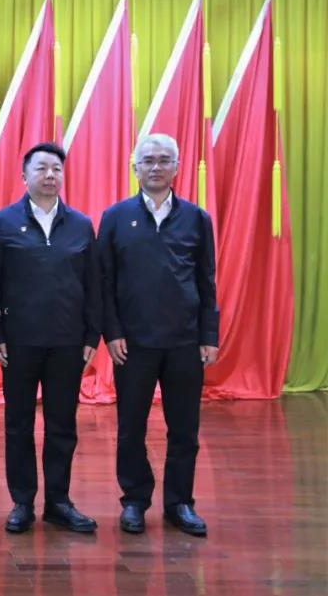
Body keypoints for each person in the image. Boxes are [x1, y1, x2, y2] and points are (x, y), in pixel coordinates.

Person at [97, 133, 219, 537]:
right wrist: (112, 331)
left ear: (177, 168)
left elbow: (206, 281)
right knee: (130, 427)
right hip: (133, 343)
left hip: (185, 341)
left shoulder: (197, 218)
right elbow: (104, 281)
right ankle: (134, 500)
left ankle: (179, 503)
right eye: (148, 160)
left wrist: (209, 334)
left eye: (164, 160)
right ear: (135, 168)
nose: (156, 167)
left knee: (184, 429)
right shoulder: (115, 217)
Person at [0, 142, 100, 534]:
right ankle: (22, 502)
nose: (50, 175)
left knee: (62, 424)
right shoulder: (1, 223)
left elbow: (93, 284)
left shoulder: (80, 224)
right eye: (42, 168)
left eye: (56, 169)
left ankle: (58, 502)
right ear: (24, 176)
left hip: (68, 342)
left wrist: (92, 334)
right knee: (18, 424)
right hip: (18, 342)